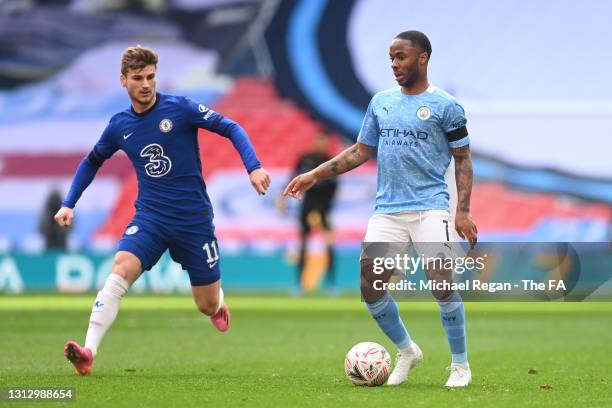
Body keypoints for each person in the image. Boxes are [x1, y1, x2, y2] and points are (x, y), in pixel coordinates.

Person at [54, 45, 271, 376]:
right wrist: (69, 202)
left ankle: (217, 303)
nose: (146, 84)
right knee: (120, 269)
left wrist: (253, 167)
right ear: (123, 80)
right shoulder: (119, 126)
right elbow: (93, 160)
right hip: (151, 218)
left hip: (193, 220)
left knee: (205, 304)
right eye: (138, 78)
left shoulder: (180, 109)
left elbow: (231, 127)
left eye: (151, 77)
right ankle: (88, 352)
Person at [284, 31, 477, 388]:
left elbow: (463, 160)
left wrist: (462, 211)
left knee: (440, 284)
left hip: (430, 208)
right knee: (370, 286)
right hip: (388, 211)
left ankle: (460, 365)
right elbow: (359, 151)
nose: (394, 64)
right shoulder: (381, 102)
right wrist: (313, 174)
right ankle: (407, 351)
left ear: (422, 58)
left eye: (401, 57)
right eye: (391, 58)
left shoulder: (446, 106)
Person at [279, 131, 338, 293]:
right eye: (319, 140)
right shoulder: (305, 158)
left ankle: (331, 284)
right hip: (307, 205)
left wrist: (329, 204)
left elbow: (335, 186)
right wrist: (282, 199)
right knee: (303, 243)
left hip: (325, 207)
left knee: (329, 245)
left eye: (324, 141)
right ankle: (299, 284)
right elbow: (292, 178)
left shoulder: (331, 161)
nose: (321, 144)